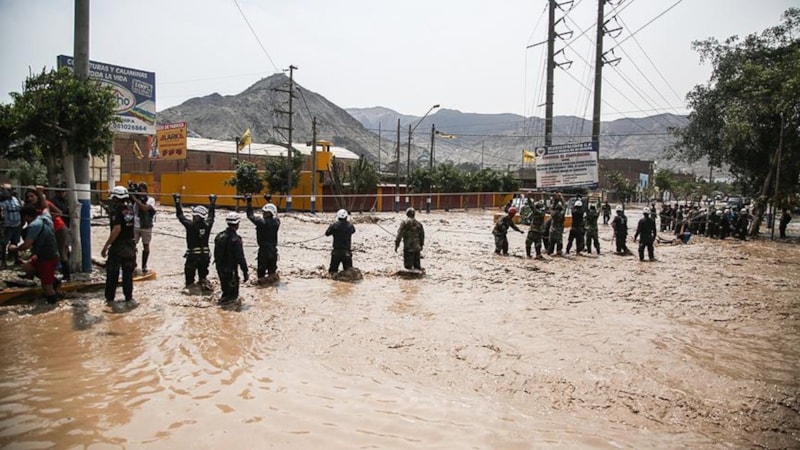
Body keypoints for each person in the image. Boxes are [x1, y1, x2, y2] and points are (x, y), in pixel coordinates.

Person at [9, 205, 61, 304]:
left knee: (46, 287)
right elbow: (46, 208)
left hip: (47, 258)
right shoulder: (45, 217)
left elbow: (26, 245)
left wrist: (14, 248)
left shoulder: (34, 226)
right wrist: (41, 198)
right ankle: (54, 281)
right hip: (44, 255)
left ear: (26, 216)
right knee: (26, 267)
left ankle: (52, 304)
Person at [24, 187, 70, 281]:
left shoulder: (45, 204)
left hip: (58, 229)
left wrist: (47, 219)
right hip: (45, 232)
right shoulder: (30, 208)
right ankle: (31, 274)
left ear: (37, 196)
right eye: (28, 197)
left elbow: (59, 212)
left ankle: (67, 275)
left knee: (61, 252)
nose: (30, 199)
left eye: (32, 196)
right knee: (36, 251)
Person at [101, 186, 137, 304]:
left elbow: (117, 229)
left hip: (118, 247)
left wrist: (106, 246)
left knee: (112, 274)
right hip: (130, 246)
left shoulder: (116, 211)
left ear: (115, 198)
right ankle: (128, 298)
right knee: (128, 275)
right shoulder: (130, 209)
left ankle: (109, 299)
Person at [173, 193, 216, 288]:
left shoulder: (190, 225)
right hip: (205, 256)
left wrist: (177, 201)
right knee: (203, 278)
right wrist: (212, 202)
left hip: (193, 256)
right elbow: (211, 216)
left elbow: (180, 215)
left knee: (189, 282)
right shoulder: (208, 225)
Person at [214, 212, 248, 303]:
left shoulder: (219, 236)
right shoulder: (236, 239)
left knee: (225, 291)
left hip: (220, 268)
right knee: (232, 296)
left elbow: (216, 253)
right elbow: (240, 257)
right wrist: (245, 271)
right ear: (237, 224)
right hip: (231, 270)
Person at [245, 195, 280, 280]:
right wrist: (269, 200)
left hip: (263, 251)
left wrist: (249, 202)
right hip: (273, 251)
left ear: (268, 213)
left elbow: (250, 215)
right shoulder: (276, 222)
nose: (263, 213)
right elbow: (276, 213)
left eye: (264, 212)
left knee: (261, 276)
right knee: (272, 274)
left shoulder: (260, 222)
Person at [131, 182, 156, 273]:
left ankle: (144, 265)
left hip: (146, 226)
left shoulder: (150, 199)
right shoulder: (134, 199)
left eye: (140, 190)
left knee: (146, 245)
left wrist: (135, 199)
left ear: (145, 190)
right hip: (135, 226)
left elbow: (145, 208)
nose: (139, 192)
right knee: (132, 245)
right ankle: (133, 264)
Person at [325, 209, 356, 273]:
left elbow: (327, 233)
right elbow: (353, 231)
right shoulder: (350, 226)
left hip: (336, 252)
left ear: (338, 217)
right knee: (349, 273)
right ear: (346, 217)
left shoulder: (334, 226)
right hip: (347, 252)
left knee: (332, 272)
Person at [0, 184, 22, 269]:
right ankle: (3, 262)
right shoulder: (2, 201)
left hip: (17, 225)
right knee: (4, 243)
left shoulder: (16, 199)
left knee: (15, 242)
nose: (11, 191)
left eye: (11, 190)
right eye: (8, 190)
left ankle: (16, 259)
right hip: (7, 226)